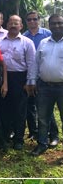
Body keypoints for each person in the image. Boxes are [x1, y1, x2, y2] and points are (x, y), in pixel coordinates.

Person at [0, 15, 36, 151]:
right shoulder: (0, 41)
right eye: (11, 22)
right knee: (4, 108)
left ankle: (19, 139)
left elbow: (31, 63)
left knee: (20, 110)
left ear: (21, 26)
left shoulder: (27, 42)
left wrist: (29, 82)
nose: (13, 25)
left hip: (20, 78)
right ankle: (6, 135)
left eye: (16, 23)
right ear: (7, 25)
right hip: (3, 79)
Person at [30, 14, 63, 157]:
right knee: (42, 117)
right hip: (44, 86)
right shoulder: (43, 42)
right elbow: (35, 64)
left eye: (59, 23)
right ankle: (42, 144)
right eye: (53, 23)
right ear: (49, 25)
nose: (56, 26)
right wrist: (32, 81)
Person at [23, 10, 56, 143]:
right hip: (30, 75)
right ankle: (33, 132)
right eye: (29, 19)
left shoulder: (48, 34)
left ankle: (53, 134)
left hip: (45, 76)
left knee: (46, 107)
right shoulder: (24, 36)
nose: (32, 22)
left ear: (39, 20)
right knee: (30, 105)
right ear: (26, 22)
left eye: (34, 19)